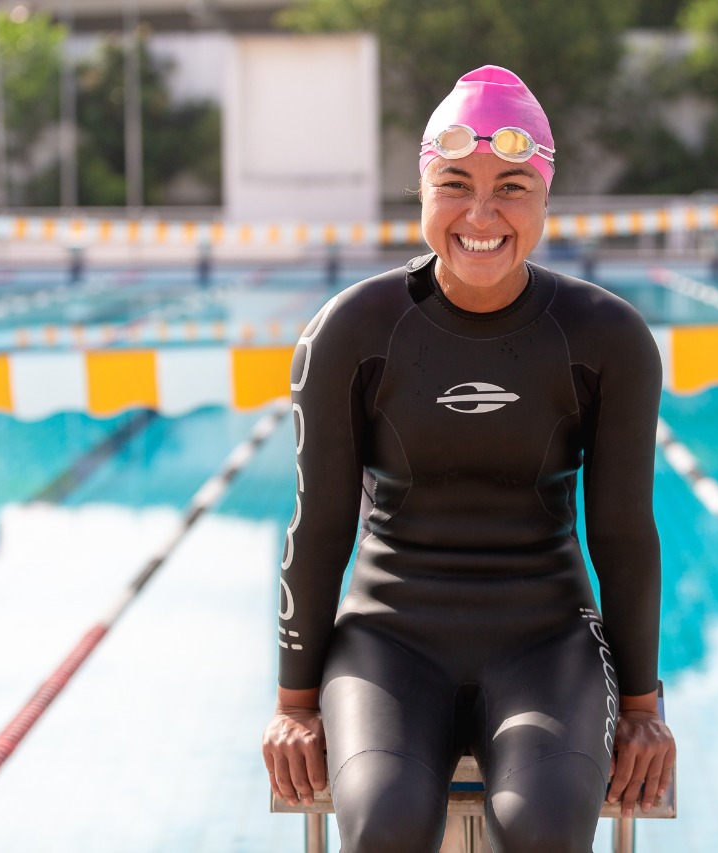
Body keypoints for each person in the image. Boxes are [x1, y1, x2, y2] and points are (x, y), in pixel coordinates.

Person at [261, 65, 675, 853]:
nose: (481, 213)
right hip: (389, 638)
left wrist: (646, 709)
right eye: (455, 183)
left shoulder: (606, 338)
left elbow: (623, 533)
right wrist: (294, 700)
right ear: (422, 192)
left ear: (545, 199)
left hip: (547, 636)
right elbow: (318, 528)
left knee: (547, 829)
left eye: (513, 186)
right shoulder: (351, 330)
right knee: (383, 825)